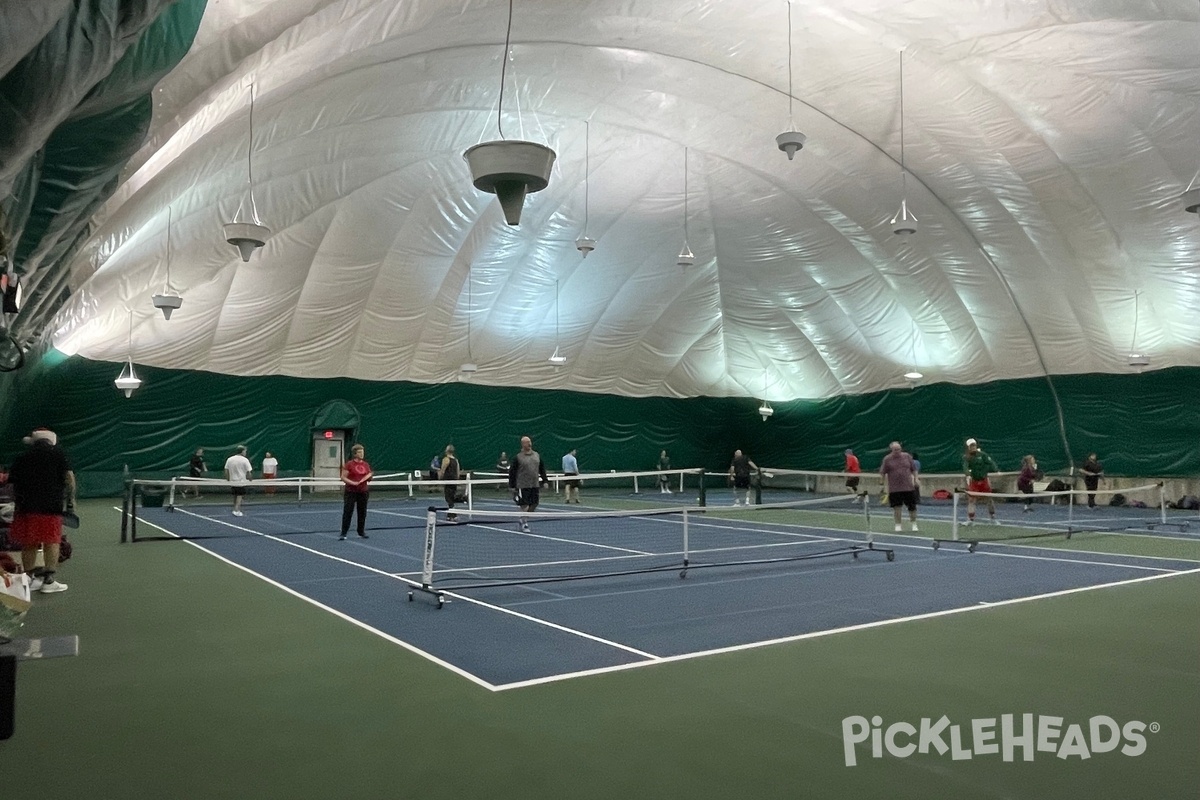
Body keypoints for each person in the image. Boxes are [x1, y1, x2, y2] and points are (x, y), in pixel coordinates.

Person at [7, 428, 75, 593]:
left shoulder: (22, 457)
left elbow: (11, 483)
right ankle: (49, 581)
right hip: (50, 507)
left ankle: (29, 579)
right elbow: (70, 478)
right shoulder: (59, 454)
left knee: (29, 542)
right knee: (52, 542)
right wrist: (71, 501)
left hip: (25, 508)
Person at [508, 436, 548, 532]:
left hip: (534, 484)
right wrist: (512, 486)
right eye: (527, 442)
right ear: (522, 444)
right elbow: (512, 472)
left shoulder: (536, 455)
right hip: (522, 485)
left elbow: (541, 469)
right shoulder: (518, 457)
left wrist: (545, 481)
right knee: (525, 505)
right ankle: (524, 523)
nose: (529, 444)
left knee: (534, 504)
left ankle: (522, 518)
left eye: (530, 442)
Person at [879, 441, 919, 533]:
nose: (897, 451)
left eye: (899, 449)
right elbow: (883, 472)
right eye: (895, 450)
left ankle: (914, 524)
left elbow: (914, 469)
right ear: (891, 450)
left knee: (912, 507)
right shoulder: (887, 459)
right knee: (897, 507)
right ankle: (898, 525)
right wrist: (882, 483)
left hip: (908, 487)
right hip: (894, 488)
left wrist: (916, 479)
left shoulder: (907, 456)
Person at [340, 443, 373, 539]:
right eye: (360, 452)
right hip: (351, 492)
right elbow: (343, 477)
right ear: (355, 453)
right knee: (348, 511)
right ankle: (344, 533)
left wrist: (369, 478)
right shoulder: (349, 464)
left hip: (363, 492)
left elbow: (369, 477)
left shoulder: (366, 465)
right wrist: (352, 483)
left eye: (363, 452)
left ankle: (361, 531)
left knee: (362, 512)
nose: (362, 454)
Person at [962, 438, 998, 525]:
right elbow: (965, 467)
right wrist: (967, 474)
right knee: (971, 500)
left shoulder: (983, 455)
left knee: (989, 499)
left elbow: (991, 463)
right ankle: (970, 519)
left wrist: (996, 470)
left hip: (984, 481)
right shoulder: (966, 457)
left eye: (974, 445)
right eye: (971, 446)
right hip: (974, 482)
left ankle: (993, 517)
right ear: (968, 447)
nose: (973, 447)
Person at [224, 445, 253, 517]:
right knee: (239, 496)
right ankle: (237, 510)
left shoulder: (230, 459)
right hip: (241, 481)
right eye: (245, 451)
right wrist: (250, 479)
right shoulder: (245, 460)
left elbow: (226, 470)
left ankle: (235, 509)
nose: (245, 452)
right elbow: (249, 472)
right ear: (242, 451)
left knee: (235, 495)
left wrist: (228, 479)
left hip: (233, 481)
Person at [438, 444, 461, 522]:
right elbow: (458, 472)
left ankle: (453, 515)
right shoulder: (456, 460)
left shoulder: (446, 459)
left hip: (448, 481)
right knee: (451, 497)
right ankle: (450, 515)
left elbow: (443, 470)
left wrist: (440, 477)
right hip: (454, 480)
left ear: (446, 451)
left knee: (448, 498)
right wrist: (457, 479)